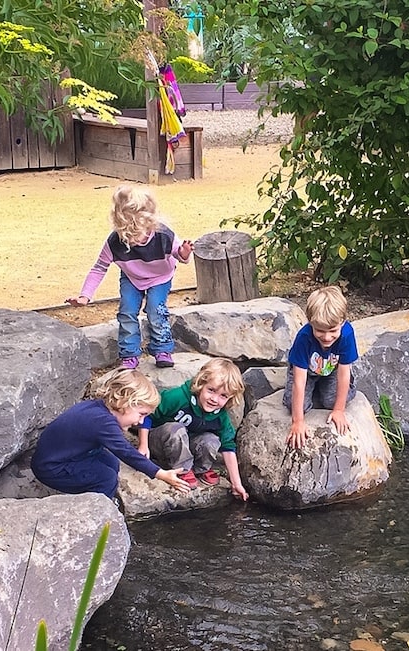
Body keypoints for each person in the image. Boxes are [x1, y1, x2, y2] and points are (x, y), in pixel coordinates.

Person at [66, 184, 193, 369]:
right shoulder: (115, 241)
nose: (133, 240)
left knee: (155, 309)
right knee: (127, 312)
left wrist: (184, 252)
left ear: (149, 224)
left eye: (137, 234)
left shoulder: (164, 235)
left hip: (160, 277)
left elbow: (182, 257)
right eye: (128, 235)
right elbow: (99, 267)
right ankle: (129, 353)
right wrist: (85, 296)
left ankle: (162, 348)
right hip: (132, 277)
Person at [31, 368, 190, 499]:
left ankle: (101, 496)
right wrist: (161, 474)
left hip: (67, 456)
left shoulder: (98, 409)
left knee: (111, 461)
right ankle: (101, 515)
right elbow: (126, 452)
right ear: (125, 403)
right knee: (105, 477)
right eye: (141, 414)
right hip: (52, 467)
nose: (141, 421)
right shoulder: (103, 423)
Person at [137, 358, 249, 501]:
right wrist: (143, 445)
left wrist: (236, 483)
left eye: (223, 396)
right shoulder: (177, 397)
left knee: (212, 440)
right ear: (201, 384)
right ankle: (182, 469)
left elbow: (228, 446)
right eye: (211, 390)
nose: (214, 399)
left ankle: (199, 469)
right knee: (176, 429)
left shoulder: (220, 416)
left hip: (187, 444)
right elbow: (148, 414)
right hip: (161, 441)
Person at [283, 286, 358, 448]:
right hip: (307, 372)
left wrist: (339, 410)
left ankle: (325, 391)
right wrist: (298, 421)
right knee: (296, 405)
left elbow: (344, 374)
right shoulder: (304, 337)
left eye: (332, 331)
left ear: (343, 322)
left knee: (331, 401)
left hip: (332, 369)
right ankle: (314, 391)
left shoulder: (347, 334)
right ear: (310, 323)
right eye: (320, 331)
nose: (326, 337)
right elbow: (299, 381)